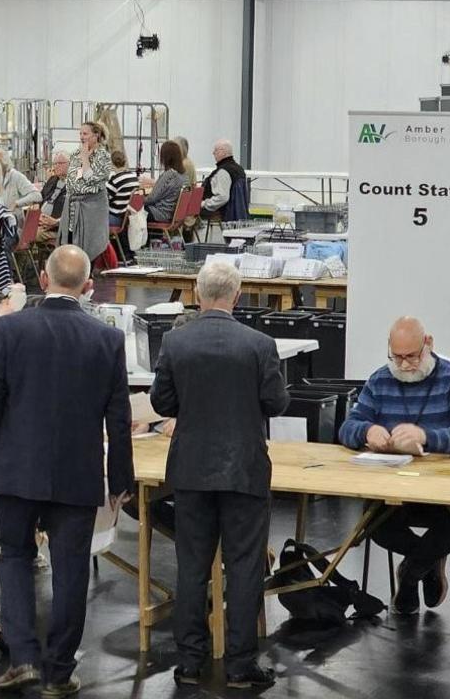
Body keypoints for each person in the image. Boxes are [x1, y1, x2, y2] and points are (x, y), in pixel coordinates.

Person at [0, 245, 131, 694]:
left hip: (17, 471)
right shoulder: (108, 340)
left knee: (14, 556)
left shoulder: (10, 330)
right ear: (88, 286)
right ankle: (59, 670)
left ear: (42, 279)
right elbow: (118, 418)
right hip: (78, 474)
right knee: (71, 567)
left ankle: (23, 658)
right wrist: (121, 481)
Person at [149, 261, 289, 689]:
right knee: (244, 567)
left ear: (196, 291)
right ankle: (241, 665)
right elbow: (277, 402)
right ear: (238, 294)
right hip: (244, 469)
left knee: (190, 565)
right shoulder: (260, 345)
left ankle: (189, 662)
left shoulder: (175, 343)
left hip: (191, 469)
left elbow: (161, 403)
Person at [340, 316, 450, 615]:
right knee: (373, 523)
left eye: (412, 356)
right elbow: (347, 428)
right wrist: (366, 432)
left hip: (443, 491)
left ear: (428, 344)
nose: (405, 364)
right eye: (398, 357)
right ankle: (427, 563)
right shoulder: (380, 380)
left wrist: (426, 437)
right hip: (393, 486)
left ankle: (409, 574)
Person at [60, 122, 114, 262]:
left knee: (88, 247)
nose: (82, 137)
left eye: (85, 134)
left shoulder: (103, 156)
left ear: (95, 135)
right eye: (80, 134)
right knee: (71, 245)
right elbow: (71, 178)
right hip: (73, 206)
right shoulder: (75, 154)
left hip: (91, 208)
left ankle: (86, 276)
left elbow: (91, 178)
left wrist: (85, 159)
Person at [201, 138, 251, 224]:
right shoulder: (239, 169)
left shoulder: (223, 172)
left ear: (223, 152)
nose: (213, 153)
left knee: (188, 213)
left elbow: (222, 197)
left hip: (223, 214)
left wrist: (204, 204)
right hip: (239, 215)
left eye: (215, 150)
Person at [141, 140, 188, 224]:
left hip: (159, 213)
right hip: (170, 213)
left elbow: (152, 198)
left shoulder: (169, 175)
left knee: (129, 211)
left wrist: (136, 201)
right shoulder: (183, 175)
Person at [107, 148, 141, 264]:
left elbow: (104, 200)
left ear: (111, 164)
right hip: (127, 217)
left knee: (90, 221)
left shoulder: (115, 180)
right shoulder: (133, 178)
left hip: (117, 218)